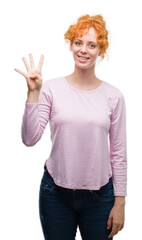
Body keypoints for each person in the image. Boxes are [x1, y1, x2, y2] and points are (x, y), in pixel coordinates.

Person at [14, 14, 127, 240]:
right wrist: (33, 93)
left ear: (100, 51)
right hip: (54, 194)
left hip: (101, 196)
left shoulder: (114, 96)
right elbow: (29, 139)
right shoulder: (51, 89)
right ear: (71, 45)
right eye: (78, 42)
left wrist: (120, 202)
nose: (83, 50)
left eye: (91, 45)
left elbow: (118, 152)